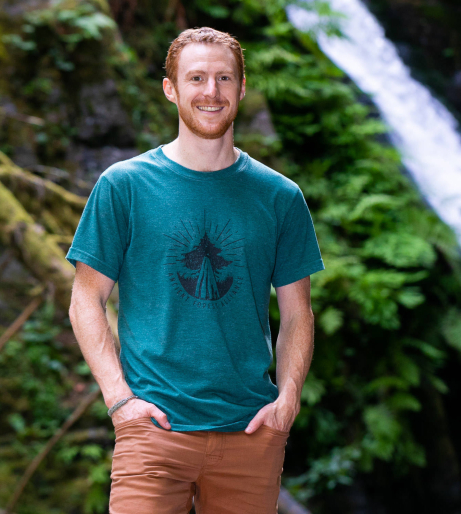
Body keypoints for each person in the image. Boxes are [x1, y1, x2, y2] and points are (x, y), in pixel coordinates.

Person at [67, 27, 323, 513]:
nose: (211, 92)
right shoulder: (124, 186)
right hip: (153, 433)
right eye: (197, 78)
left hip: (251, 434)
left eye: (224, 78)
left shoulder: (280, 197)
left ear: (242, 88)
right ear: (171, 89)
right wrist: (120, 401)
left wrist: (287, 401)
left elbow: (298, 314)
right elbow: (86, 299)